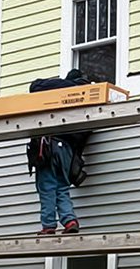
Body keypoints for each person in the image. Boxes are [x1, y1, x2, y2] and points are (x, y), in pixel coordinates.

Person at [27, 68, 92, 235]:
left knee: (47, 186)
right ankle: (70, 221)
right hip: (68, 152)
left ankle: (48, 225)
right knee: (62, 187)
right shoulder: (90, 102)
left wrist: (64, 83)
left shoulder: (66, 91)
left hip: (52, 145)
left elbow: (35, 86)